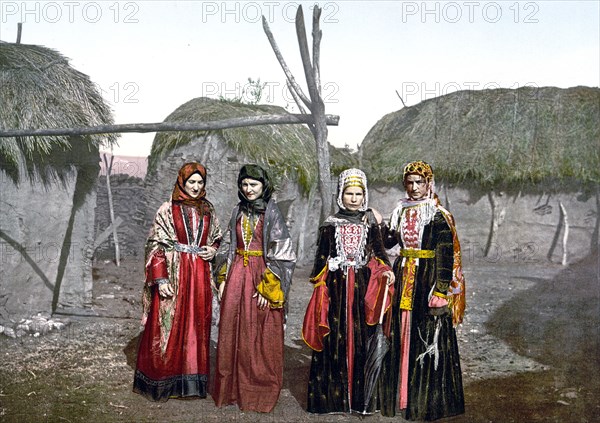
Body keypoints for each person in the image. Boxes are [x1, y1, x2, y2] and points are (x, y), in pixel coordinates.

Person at [302, 168, 395, 414]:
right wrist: (327, 268)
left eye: (358, 193)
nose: (353, 198)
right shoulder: (330, 224)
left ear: (364, 195)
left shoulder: (369, 223)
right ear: (340, 195)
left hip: (361, 286)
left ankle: (360, 399)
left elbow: (379, 251)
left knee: (362, 335)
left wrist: (385, 269)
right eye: (348, 193)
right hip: (337, 287)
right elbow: (320, 259)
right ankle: (334, 400)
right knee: (336, 336)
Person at [379, 160, 466, 421]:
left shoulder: (438, 214)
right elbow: (389, 241)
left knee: (425, 334)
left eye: (420, 182)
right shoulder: (400, 211)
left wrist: (440, 290)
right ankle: (402, 398)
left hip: (427, 278)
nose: (414, 188)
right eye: (410, 183)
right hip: (404, 272)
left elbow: (445, 254)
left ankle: (424, 401)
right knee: (401, 331)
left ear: (429, 183)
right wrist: (381, 224)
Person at [133, 162, 223, 401]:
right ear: (182, 182)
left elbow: (217, 237)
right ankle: (163, 381)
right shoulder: (167, 209)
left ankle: (191, 383)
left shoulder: (208, 209)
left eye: (200, 182)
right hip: (175, 273)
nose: (195, 187)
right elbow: (156, 245)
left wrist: (212, 250)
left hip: (200, 274)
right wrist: (160, 279)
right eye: (191, 182)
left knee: (196, 324)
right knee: (168, 323)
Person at [213, 164, 296, 413]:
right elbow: (228, 244)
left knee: (259, 330)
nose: (249, 190)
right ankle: (231, 390)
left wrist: (268, 289)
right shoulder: (237, 210)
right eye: (245, 184)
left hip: (262, 273)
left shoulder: (272, 212)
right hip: (237, 271)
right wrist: (223, 277)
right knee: (231, 328)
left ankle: (256, 390)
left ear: (264, 186)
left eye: (254, 185)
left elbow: (283, 254)